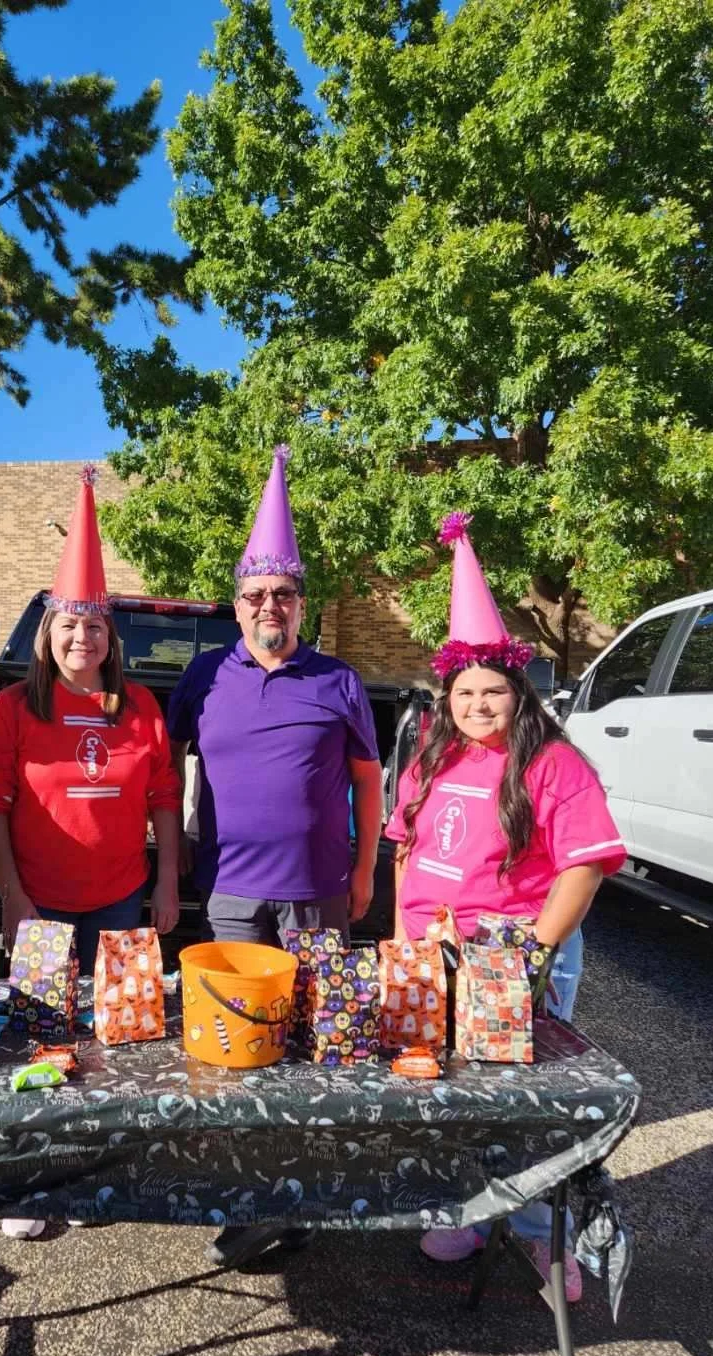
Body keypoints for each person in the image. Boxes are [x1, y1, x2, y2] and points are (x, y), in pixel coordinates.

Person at [385, 512, 626, 1300]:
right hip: (437, 951)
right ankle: (462, 1206)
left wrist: (535, 957)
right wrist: (401, 936)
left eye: (493, 691)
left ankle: (535, 1234)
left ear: (516, 692)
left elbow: (583, 867)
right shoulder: (432, 755)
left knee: (524, 1102)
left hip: (516, 953)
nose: (479, 704)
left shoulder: (552, 763)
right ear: (446, 696)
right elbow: (404, 851)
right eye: (466, 691)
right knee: (452, 1090)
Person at [167, 445, 384, 1267]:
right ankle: (238, 1189)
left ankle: (302, 1188)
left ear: (302, 605)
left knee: (312, 1038)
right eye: (256, 594)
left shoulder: (338, 680)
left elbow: (367, 781)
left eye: (284, 595)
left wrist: (365, 870)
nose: (270, 606)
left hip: (318, 889)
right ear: (236, 604)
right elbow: (162, 770)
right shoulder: (202, 676)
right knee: (231, 1045)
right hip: (228, 891)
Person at [0, 465, 182, 1240]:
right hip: (40, 898)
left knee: (113, 1028)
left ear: (108, 636)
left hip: (121, 895)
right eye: (68, 625)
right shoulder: (11, 706)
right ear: (48, 632)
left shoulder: (138, 707)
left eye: (93, 626)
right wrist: (13, 894)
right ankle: (33, 1178)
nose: (80, 638)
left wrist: (166, 882)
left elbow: (164, 796)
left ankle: (99, 1169)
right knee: (39, 1030)